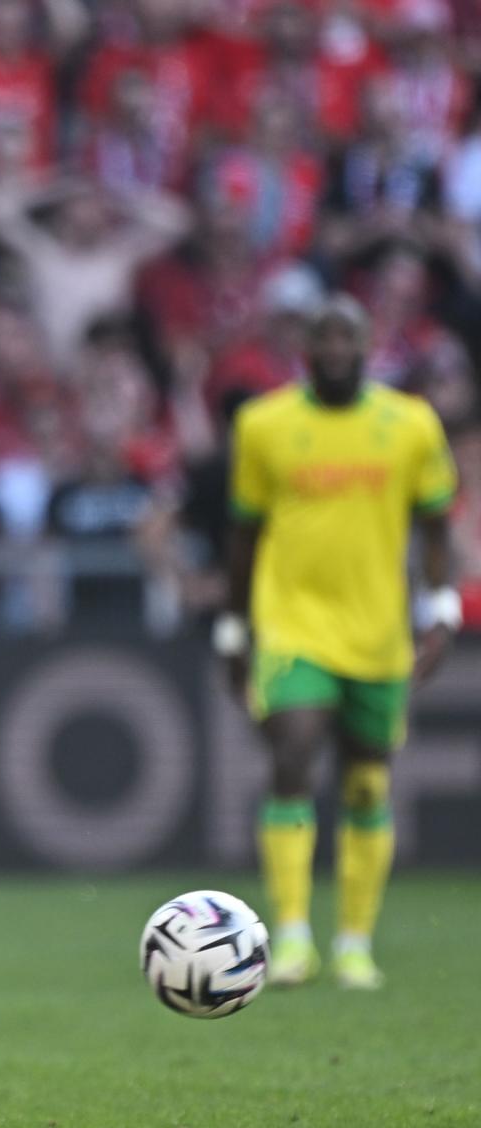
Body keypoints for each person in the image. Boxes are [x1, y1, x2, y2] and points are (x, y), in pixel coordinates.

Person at [218, 296, 460, 991]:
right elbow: (244, 535)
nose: (332, 349)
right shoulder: (264, 425)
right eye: (320, 337)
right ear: (305, 350)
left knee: (365, 777)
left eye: (345, 337)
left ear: (367, 345)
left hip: (378, 630)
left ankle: (355, 941)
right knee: (292, 751)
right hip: (292, 623)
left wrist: (439, 607)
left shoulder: (410, 424)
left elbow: (436, 524)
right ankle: (291, 935)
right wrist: (234, 627)